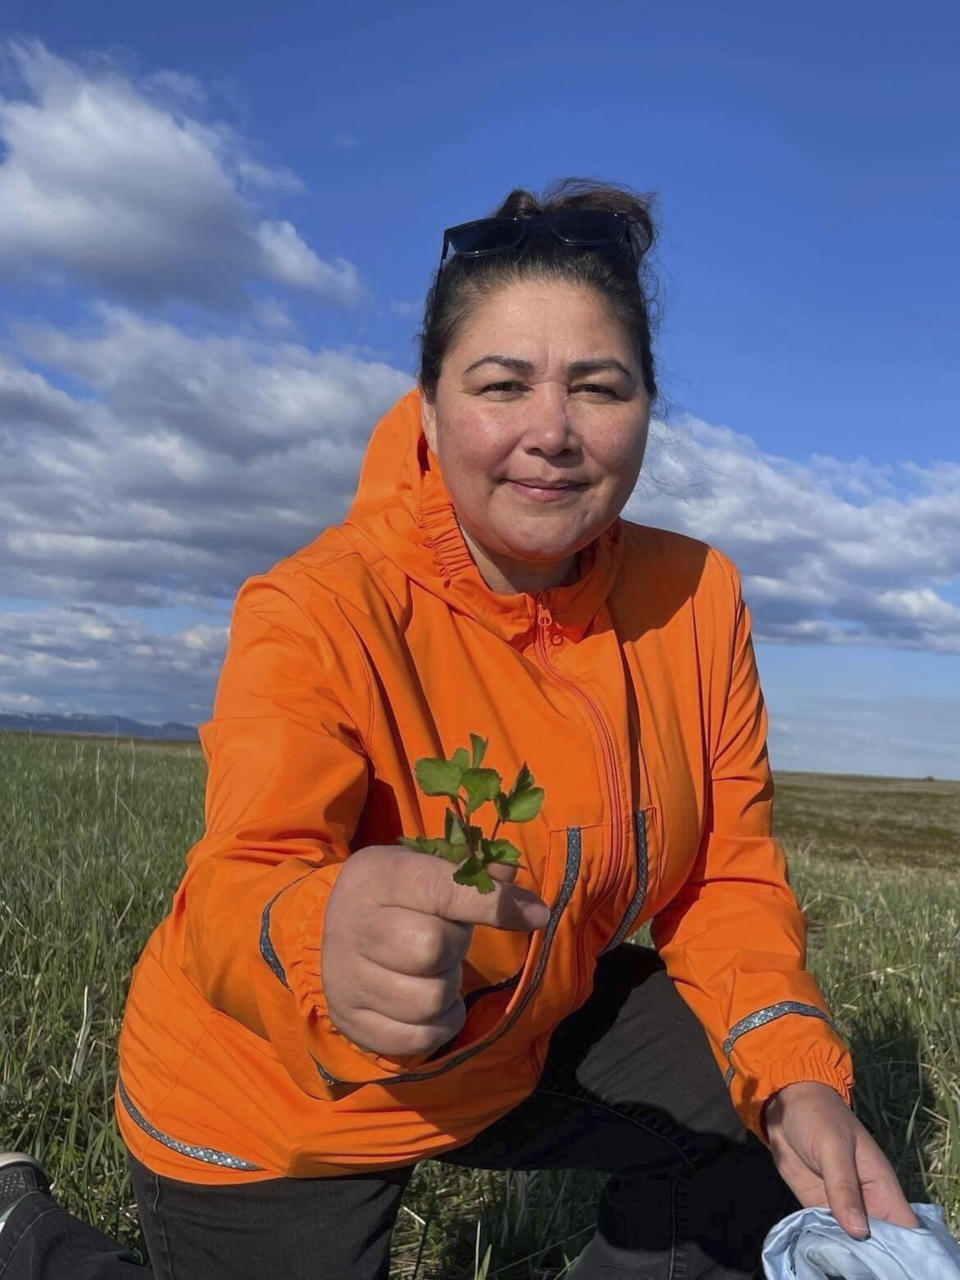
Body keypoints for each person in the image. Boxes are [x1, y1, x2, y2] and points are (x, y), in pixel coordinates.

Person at [0, 177, 920, 1280]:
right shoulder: (318, 608)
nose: (553, 430)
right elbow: (248, 869)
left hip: (525, 1031)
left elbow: (725, 877)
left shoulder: (698, 595)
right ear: (430, 409)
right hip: (284, 1093)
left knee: (760, 1121)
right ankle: (26, 1232)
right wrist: (323, 946)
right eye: (502, 383)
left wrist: (795, 1074)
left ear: (647, 405)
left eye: (599, 384)